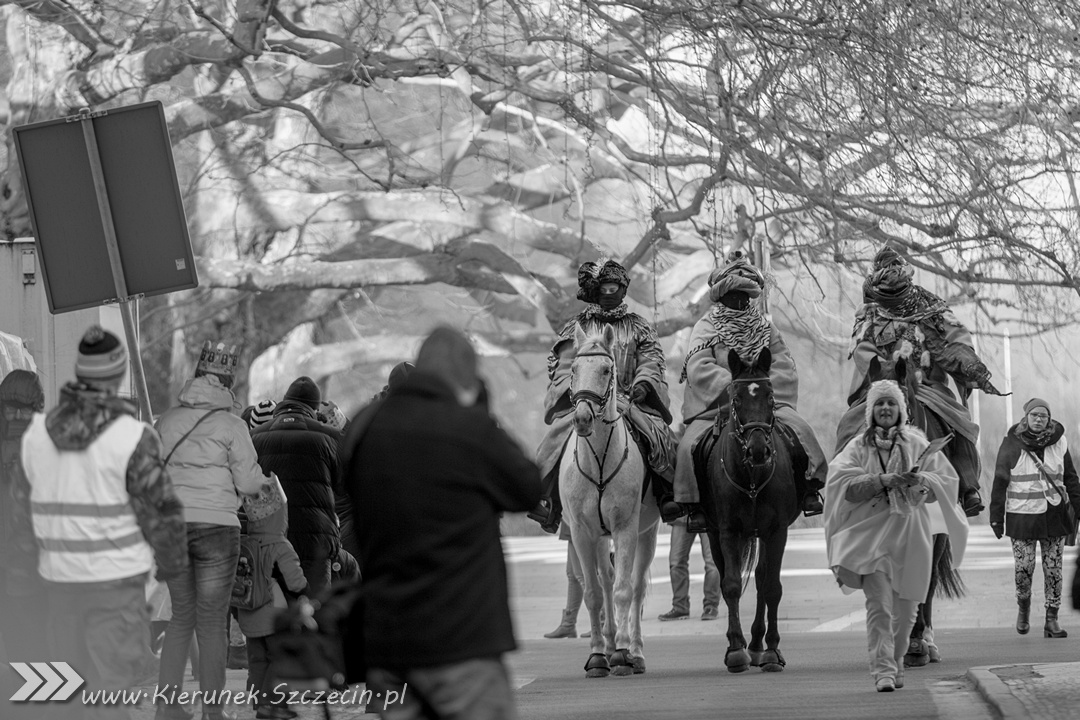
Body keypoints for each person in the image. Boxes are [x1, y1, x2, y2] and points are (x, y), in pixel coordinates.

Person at [342, 326, 542, 719]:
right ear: (465, 375)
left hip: (387, 640)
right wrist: (480, 410)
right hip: (462, 640)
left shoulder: (365, 426)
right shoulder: (468, 426)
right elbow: (528, 489)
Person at [13, 326, 188, 719]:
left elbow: (21, 519)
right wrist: (173, 566)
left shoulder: (36, 438)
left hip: (59, 590)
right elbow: (162, 512)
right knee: (109, 697)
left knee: (68, 697)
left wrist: (24, 578)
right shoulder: (134, 438)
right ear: (117, 376)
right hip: (115, 592)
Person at [836, 245, 1005, 517]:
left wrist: (967, 360)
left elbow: (956, 334)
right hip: (880, 384)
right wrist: (885, 370)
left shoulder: (931, 306)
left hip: (926, 385)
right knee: (848, 425)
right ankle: (842, 484)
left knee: (959, 422)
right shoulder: (867, 312)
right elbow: (861, 348)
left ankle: (968, 486)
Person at [824, 379, 968, 692]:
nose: (886, 408)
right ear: (871, 410)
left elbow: (942, 481)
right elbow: (843, 485)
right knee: (878, 606)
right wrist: (882, 480)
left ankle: (898, 657)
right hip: (871, 540)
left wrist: (922, 482)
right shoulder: (857, 447)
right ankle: (883, 671)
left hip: (911, 537)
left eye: (891, 403)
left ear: (900, 409)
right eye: (879, 403)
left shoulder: (917, 443)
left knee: (905, 615)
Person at [155, 340, 270, 720]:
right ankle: (212, 711)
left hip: (173, 527)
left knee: (180, 618)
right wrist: (264, 483)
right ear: (228, 384)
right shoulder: (232, 425)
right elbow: (249, 483)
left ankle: (167, 708)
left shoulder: (166, 421)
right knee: (210, 622)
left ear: (196, 377)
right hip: (217, 529)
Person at [675, 252, 828, 531]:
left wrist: (762, 389)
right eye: (734, 294)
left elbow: (783, 363)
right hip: (718, 407)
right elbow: (698, 366)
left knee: (803, 434)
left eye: (745, 295)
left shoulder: (766, 327)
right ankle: (692, 505)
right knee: (687, 448)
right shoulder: (705, 326)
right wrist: (735, 387)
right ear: (722, 296)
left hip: (764, 406)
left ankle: (809, 489)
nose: (740, 300)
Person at [530, 259, 680, 533]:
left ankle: (666, 494)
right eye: (604, 289)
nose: (609, 294)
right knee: (554, 439)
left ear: (623, 290)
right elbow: (564, 366)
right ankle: (546, 497)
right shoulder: (576, 327)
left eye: (614, 289)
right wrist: (577, 392)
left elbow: (651, 361)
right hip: (585, 399)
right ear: (595, 291)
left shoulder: (639, 326)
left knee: (659, 437)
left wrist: (644, 384)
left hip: (630, 400)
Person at [989, 398, 1080, 639]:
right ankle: (1024, 608)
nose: (1039, 419)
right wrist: (996, 517)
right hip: (1022, 517)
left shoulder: (1060, 442)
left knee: (1054, 571)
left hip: (1054, 516)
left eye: (1043, 415)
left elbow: (1071, 478)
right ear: (1026, 417)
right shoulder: (1011, 443)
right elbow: (1000, 481)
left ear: (1049, 419)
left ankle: (1052, 619)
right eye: (1034, 415)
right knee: (1024, 569)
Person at [251, 376, 341, 598]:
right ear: (314, 408)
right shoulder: (329, 437)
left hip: (267, 543)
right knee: (315, 612)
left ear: (285, 401)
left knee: (270, 613)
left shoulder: (254, 437)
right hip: (316, 544)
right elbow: (343, 487)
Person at [235, 476, 307, 720]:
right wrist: (304, 591)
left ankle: (259, 704)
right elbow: (295, 580)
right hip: (274, 614)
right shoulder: (279, 543)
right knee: (281, 658)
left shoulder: (245, 542)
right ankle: (273, 704)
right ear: (280, 515)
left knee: (257, 660)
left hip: (248, 611)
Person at [657, 517, 720, 621]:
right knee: (676, 562)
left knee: (712, 563)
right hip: (683, 515)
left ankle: (711, 606)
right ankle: (680, 607)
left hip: (709, 515)